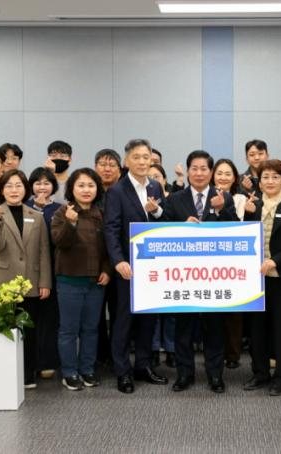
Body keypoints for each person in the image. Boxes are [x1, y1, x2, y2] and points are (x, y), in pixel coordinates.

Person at [162, 150, 239, 393]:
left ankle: (215, 375)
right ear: (187, 171)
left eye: (204, 168)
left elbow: (237, 231)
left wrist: (222, 209)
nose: (198, 173)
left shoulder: (223, 197)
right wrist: (180, 227)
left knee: (214, 328)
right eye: (194, 168)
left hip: (214, 277)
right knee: (183, 328)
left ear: (211, 172)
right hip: (184, 277)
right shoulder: (175, 199)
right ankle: (184, 374)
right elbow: (161, 231)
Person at [104, 138, 169, 393]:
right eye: (137, 157)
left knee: (148, 320)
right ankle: (123, 371)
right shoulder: (117, 191)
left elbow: (164, 222)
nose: (142, 162)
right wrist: (118, 260)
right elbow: (111, 229)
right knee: (124, 321)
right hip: (128, 268)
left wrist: (157, 212)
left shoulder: (155, 186)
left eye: (146, 157)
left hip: (152, 267)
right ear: (126, 161)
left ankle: (143, 366)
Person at [242, 159, 281, 396]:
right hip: (256, 279)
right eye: (265, 177)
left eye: (275, 177)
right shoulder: (254, 205)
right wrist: (247, 215)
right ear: (259, 181)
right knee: (257, 329)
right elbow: (244, 238)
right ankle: (260, 373)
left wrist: (275, 261)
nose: (270, 181)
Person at [0, 169, 52, 389]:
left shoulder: (36, 216)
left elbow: (43, 251)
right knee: (4, 330)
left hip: (30, 281)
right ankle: (4, 374)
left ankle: (27, 375)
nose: (14, 190)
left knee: (29, 332)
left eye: (18, 185)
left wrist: (45, 282)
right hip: (3, 282)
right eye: (9, 186)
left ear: (26, 189)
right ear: (1, 190)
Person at [51, 168, 112, 391]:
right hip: (69, 281)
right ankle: (69, 372)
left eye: (91, 185)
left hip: (96, 282)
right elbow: (60, 242)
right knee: (69, 330)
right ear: (72, 188)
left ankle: (87, 369)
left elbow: (109, 247)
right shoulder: (62, 212)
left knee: (91, 329)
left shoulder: (101, 214)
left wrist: (107, 270)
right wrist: (71, 223)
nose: (86, 190)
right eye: (81, 185)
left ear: (97, 189)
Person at [25, 167, 62, 379]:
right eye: (38, 183)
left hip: (53, 270)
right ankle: (29, 363)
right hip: (28, 270)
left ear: (53, 186)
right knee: (30, 318)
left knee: (50, 319)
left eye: (46, 183)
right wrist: (37, 209)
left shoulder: (60, 209)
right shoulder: (23, 207)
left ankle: (48, 361)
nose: (42, 187)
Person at [212, 158, 247, 369]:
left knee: (234, 311)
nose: (223, 177)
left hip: (233, 263)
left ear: (235, 178)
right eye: (219, 173)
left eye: (228, 173)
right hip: (208, 264)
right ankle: (214, 353)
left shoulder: (241, 199)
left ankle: (233, 354)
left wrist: (224, 205)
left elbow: (238, 227)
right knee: (212, 311)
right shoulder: (205, 197)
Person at [93, 148, 123, 367]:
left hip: (120, 263)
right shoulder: (89, 193)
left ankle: (116, 355)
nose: (107, 169)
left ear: (120, 170)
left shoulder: (124, 193)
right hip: (94, 263)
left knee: (118, 312)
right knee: (95, 314)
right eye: (103, 164)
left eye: (112, 165)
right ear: (95, 168)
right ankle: (99, 355)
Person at [147, 163, 176, 368]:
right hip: (147, 260)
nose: (153, 180)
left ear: (164, 180)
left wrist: (157, 210)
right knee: (153, 309)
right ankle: (154, 348)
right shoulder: (136, 196)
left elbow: (172, 221)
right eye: (150, 176)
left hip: (170, 261)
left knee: (171, 309)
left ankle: (171, 349)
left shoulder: (173, 199)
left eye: (157, 176)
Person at [45, 140, 73, 205]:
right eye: (53, 155)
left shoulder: (74, 184)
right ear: (48, 158)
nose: (58, 158)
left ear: (70, 160)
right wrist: (47, 173)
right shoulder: (39, 184)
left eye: (62, 156)